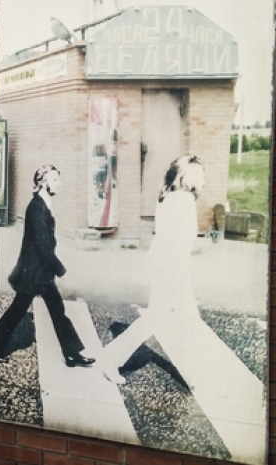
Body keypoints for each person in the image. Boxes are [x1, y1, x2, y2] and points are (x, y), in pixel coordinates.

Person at [98, 155, 204, 384]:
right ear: (187, 176)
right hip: (173, 272)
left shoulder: (168, 197)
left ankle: (191, 372)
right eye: (199, 173)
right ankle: (111, 359)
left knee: (180, 322)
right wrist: (180, 280)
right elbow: (176, 245)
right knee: (161, 322)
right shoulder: (184, 201)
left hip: (167, 269)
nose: (203, 179)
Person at [0, 164, 95, 367]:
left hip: (41, 271)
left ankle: (71, 353)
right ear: (43, 182)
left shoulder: (44, 204)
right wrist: (62, 271)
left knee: (57, 310)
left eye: (58, 179)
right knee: (18, 310)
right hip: (33, 273)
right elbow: (43, 246)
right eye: (55, 180)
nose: (59, 184)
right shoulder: (36, 207)